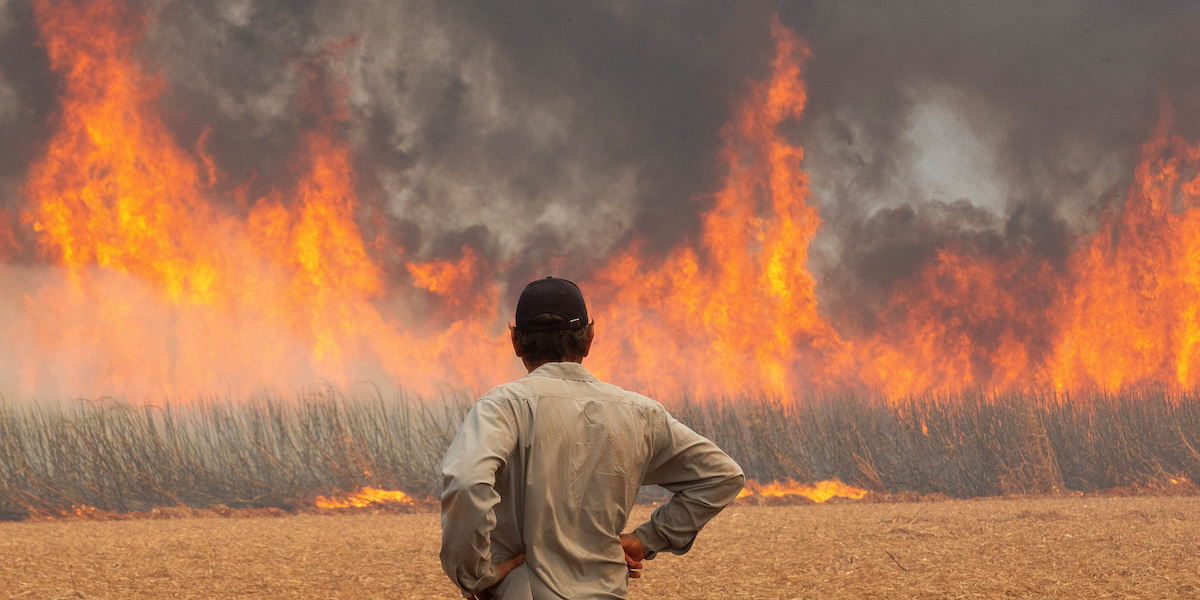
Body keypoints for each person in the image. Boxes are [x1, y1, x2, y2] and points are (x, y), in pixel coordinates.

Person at [440, 276, 745, 599]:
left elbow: (467, 481)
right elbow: (721, 476)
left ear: (516, 342)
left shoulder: (502, 407)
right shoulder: (640, 413)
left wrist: (476, 574)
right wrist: (648, 539)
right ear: (589, 339)